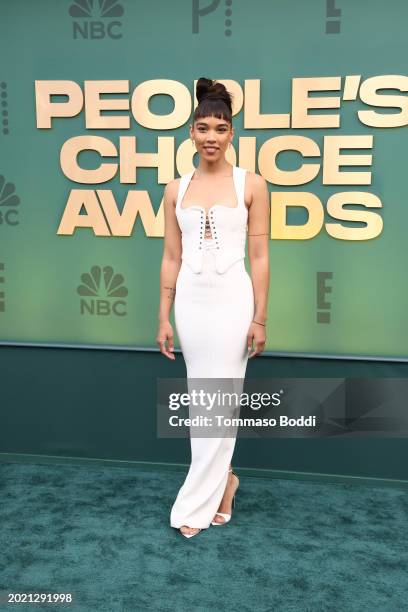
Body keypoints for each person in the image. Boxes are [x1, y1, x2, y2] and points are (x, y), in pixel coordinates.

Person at [156, 77, 270, 538]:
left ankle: (197, 502)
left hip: (232, 301)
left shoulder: (253, 184)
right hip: (191, 303)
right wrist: (162, 314)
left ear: (231, 134)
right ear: (190, 133)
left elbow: (260, 257)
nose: (210, 137)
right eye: (202, 128)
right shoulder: (174, 189)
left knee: (220, 404)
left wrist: (260, 317)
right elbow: (170, 256)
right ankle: (224, 484)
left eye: (220, 129)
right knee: (203, 401)